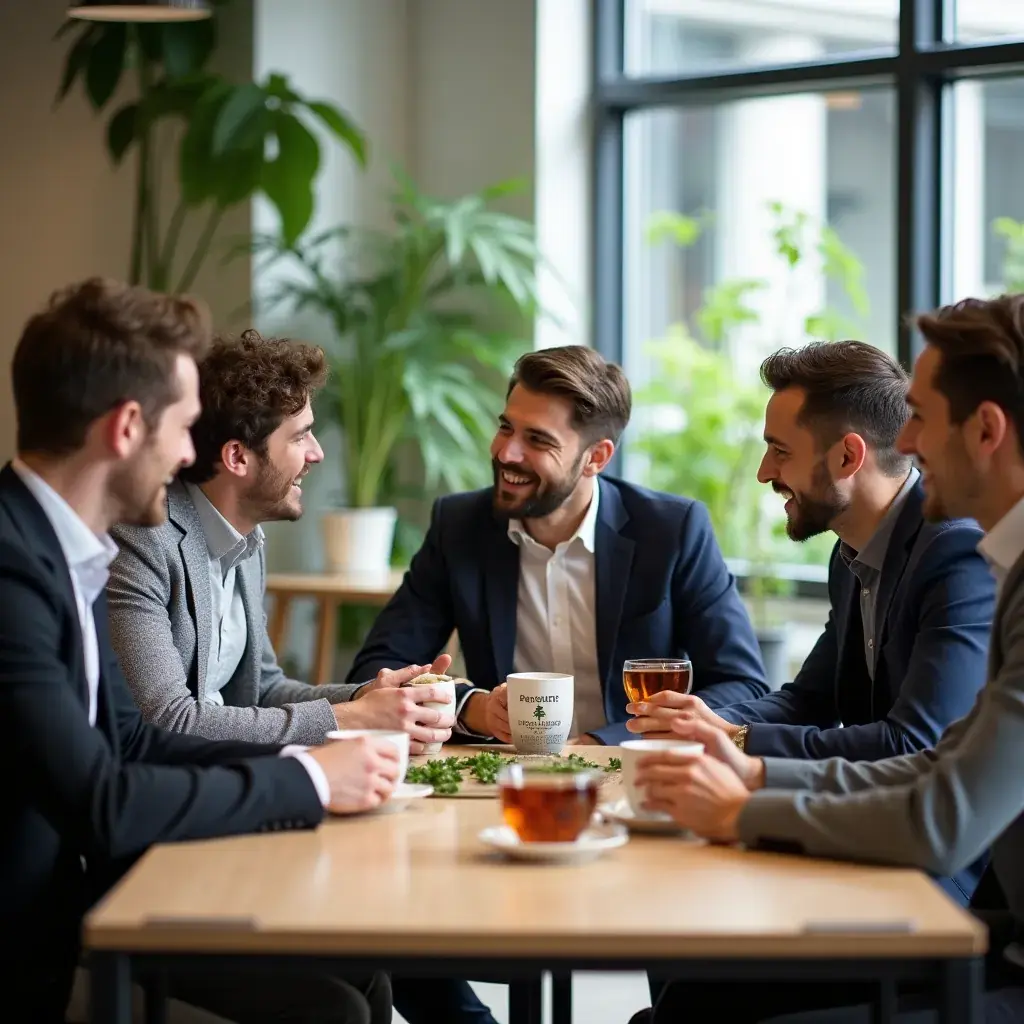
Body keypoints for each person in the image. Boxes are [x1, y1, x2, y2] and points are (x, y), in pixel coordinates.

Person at [1, 278, 396, 1024]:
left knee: (364, 979)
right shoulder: (13, 569)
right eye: (184, 428)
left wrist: (335, 738)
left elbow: (133, 738)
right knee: (332, 1010)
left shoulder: (60, 550)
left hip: (88, 893)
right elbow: (105, 801)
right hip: (36, 945)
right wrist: (310, 780)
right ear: (126, 429)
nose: (191, 454)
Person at [633, 296, 1024, 1023]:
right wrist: (736, 752)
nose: (904, 440)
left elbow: (929, 775)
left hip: (959, 912)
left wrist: (747, 796)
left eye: (921, 419)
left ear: (987, 430)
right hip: (977, 918)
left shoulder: (970, 559)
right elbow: (909, 745)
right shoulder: (878, 554)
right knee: (689, 988)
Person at [348, 344, 769, 748]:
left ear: (596, 457)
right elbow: (375, 672)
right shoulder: (459, 526)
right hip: (505, 770)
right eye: (506, 427)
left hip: (633, 766)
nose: (507, 452)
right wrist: (472, 707)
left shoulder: (672, 531)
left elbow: (743, 686)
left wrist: (604, 741)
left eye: (538, 440)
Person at [106, 331, 455, 752]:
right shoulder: (142, 541)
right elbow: (166, 720)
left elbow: (263, 689)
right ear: (237, 457)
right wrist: (348, 719)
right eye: (299, 436)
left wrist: (365, 699)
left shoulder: (246, 539)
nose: (317, 452)